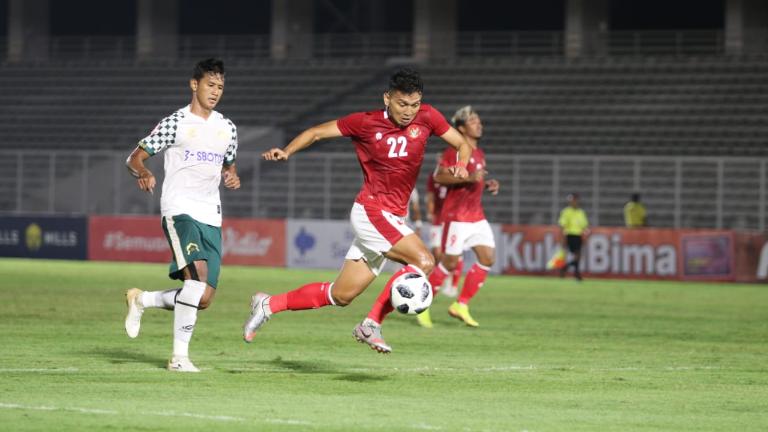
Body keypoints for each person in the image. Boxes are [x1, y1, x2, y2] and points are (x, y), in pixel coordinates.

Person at [243, 68, 471, 354]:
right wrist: (288, 151)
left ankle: (268, 304)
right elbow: (316, 133)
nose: (408, 112)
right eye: (402, 104)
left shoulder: (428, 116)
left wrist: (461, 164)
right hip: (372, 211)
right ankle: (371, 324)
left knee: (341, 295)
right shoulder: (365, 123)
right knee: (424, 261)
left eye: (414, 105)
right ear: (387, 98)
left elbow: (461, 144)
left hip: (393, 216)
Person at [123, 58, 241, 372]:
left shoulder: (227, 128)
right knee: (197, 276)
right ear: (194, 84)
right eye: (210, 85)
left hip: (211, 215)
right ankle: (179, 358)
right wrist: (143, 172)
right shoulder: (175, 123)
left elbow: (229, 165)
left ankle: (142, 300)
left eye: (220, 87)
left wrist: (232, 176)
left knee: (203, 298)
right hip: (180, 210)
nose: (215, 92)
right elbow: (134, 158)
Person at [421, 106, 500, 328]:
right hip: (457, 217)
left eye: (479, 120)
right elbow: (438, 177)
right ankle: (422, 304)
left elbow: (473, 180)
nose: (479, 124)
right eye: (473, 121)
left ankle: (461, 304)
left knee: (488, 258)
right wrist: (469, 178)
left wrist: (487, 184)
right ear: (462, 128)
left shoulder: (479, 153)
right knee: (449, 263)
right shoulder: (454, 151)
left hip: (477, 216)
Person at [425, 161, 463, 299]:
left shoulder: (457, 175)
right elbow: (430, 195)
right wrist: (430, 212)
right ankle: (444, 277)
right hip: (437, 219)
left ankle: (453, 285)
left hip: (452, 219)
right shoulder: (434, 176)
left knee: (455, 252)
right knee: (437, 252)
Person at [558, 193, 589, 281]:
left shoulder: (581, 212)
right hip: (569, 235)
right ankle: (575, 272)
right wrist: (563, 237)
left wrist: (585, 235)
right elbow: (563, 225)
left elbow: (584, 226)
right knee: (575, 255)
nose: (573, 202)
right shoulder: (566, 212)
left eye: (575, 200)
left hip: (578, 235)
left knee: (578, 255)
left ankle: (567, 268)